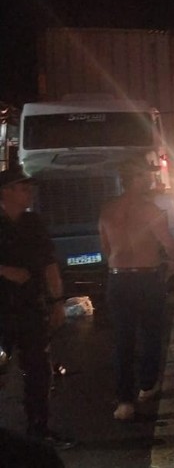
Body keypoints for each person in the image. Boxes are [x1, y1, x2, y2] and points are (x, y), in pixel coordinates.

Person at [98, 155, 174, 421]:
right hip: (146, 279)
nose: (149, 179)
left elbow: (105, 248)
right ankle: (147, 385)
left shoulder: (108, 210)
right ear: (135, 179)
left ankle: (124, 400)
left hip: (117, 278)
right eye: (145, 176)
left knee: (123, 339)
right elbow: (169, 244)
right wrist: (173, 266)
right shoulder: (150, 210)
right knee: (150, 334)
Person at [0, 166, 76, 450]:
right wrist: (5, 270)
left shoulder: (33, 223)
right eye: (22, 187)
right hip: (2, 311)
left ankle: (38, 429)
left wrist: (58, 303)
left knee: (39, 371)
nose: (29, 192)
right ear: (5, 192)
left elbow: (49, 264)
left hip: (31, 308)